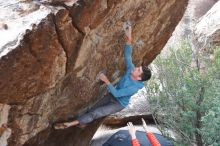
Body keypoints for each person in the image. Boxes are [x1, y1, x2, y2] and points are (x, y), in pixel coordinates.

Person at [54, 23, 152, 129]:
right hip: (111, 95)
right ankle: (83, 122)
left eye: (138, 70)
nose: (135, 68)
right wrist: (129, 38)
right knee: (93, 108)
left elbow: (118, 94)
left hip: (118, 104)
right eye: (138, 67)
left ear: (138, 78)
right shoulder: (130, 69)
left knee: (97, 112)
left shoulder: (134, 88)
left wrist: (106, 81)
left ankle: (69, 124)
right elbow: (128, 55)